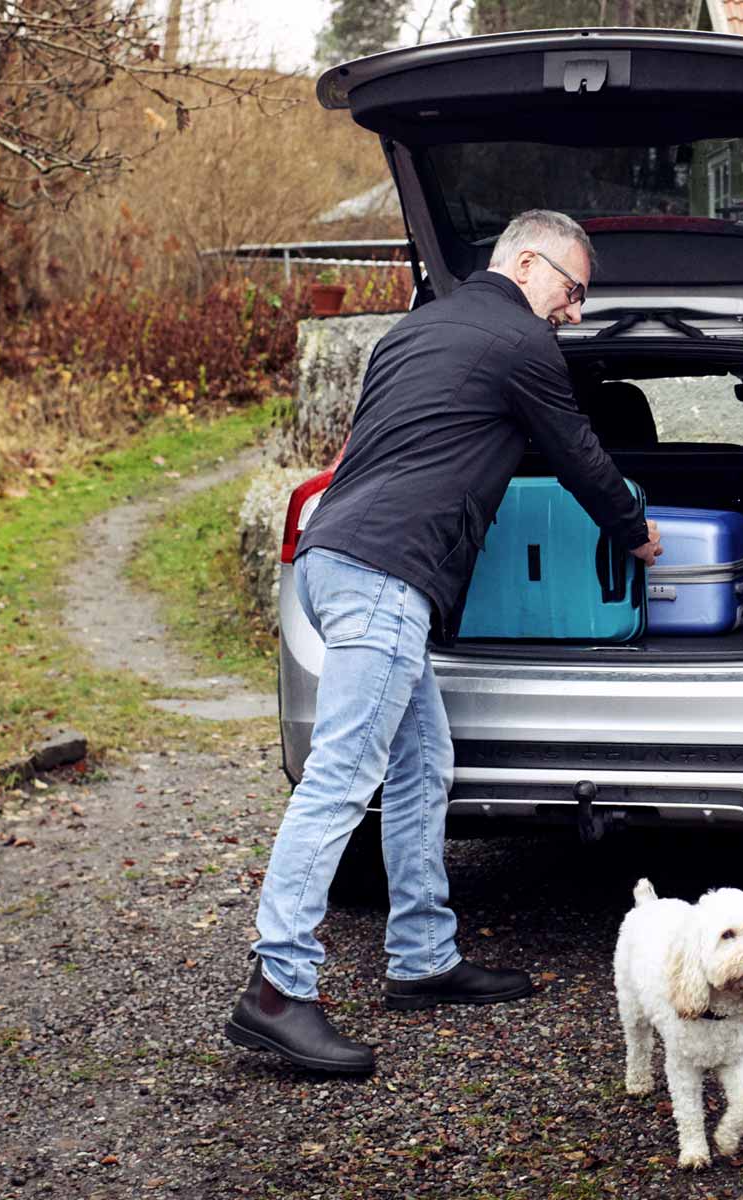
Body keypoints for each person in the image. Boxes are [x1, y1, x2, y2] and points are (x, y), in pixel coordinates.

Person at [225, 210, 663, 1074]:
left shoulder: (412, 329)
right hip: (386, 576)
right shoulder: (520, 340)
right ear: (529, 264)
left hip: (334, 555)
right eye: (573, 292)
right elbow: (575, 451)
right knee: (342, 779)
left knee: (423, 762)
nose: (575, 313)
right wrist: (635, 529)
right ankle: (277, 989)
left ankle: (423, 958)